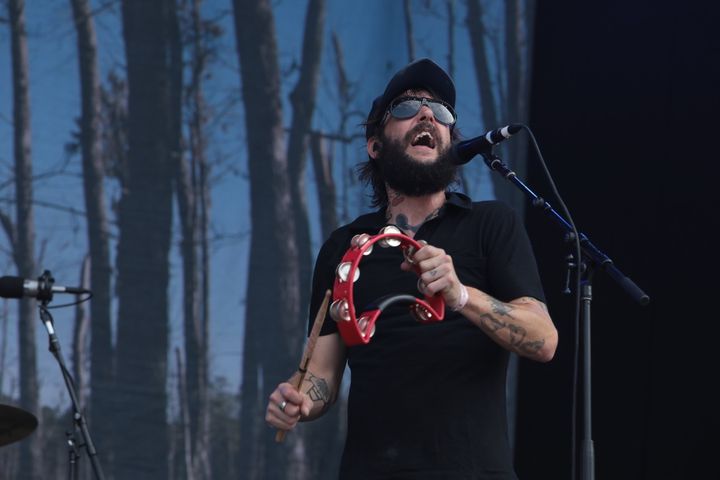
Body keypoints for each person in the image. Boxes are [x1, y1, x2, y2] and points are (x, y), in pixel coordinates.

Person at [265, 58, 558, 480]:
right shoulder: (345, 247)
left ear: (450, 140)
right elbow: (324, 372)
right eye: (406, 108)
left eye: (441, 112)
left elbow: (543, 339)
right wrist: (301, 402)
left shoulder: (490, 224)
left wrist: (461, 295)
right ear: (376, 145)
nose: (426, 115)